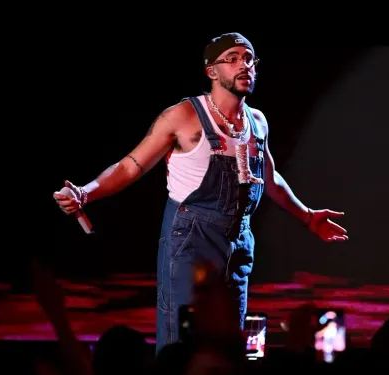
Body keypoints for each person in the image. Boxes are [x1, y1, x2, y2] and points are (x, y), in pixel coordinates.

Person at [53, 32, 348, 352]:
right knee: (183, 337)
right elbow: (131, 166)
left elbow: (269, 177)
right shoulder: (183, 116)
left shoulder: (257, 122)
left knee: (228, 336)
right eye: (233, 59)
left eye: (249, 58)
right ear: (212, 71)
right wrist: (86, 193)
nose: (244, 65)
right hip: (192, 237)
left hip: (239, 239)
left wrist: (307, 216)